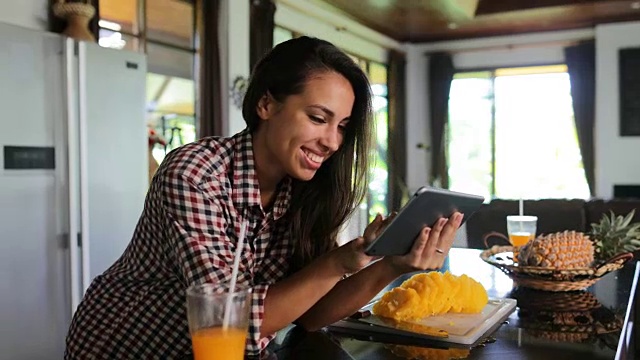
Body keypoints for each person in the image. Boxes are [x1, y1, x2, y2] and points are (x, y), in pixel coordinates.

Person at [64, 36, 463, 359]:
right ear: (266, 104)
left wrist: (390, 264)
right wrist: (338, 261)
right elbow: (227, 322)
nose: (332, 142)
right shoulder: (196, 174)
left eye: (342, 126)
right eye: (318, 118)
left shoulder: (303, 189)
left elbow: (310, 314)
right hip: (125, 345)